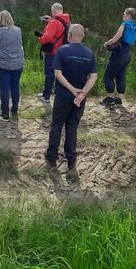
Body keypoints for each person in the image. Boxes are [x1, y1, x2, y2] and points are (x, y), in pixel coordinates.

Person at [45, 24, 98, 175]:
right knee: (72, 127)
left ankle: (52, 157)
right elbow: (93, 76)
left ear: (69, 35)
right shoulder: (89, 53)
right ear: (82, 36)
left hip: (63, 95)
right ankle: (71, 160)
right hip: (79, 98)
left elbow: (57, 73)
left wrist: (71, 89)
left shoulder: (62, 50)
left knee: (57, 125)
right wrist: (82, 93)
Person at [100, 7, 136, 105]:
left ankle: (109, 98)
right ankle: (119, 99)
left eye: (124, 14)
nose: (123, 16)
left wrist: (106, 43)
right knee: (121, 76)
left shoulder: (125, 25)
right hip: (127, 54)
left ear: (129, 16)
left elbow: (115, 39)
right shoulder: (134, 27)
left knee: (108, 75)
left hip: (119, 54)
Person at [0, 10, 25, 121]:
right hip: (18, 62)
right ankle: (15, 109)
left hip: (4, 63)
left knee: (4, 87)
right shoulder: (18, 30)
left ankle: (5, 113)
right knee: (15, 85)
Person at [36, 3, 71, 102]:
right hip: (63, 51)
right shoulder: (67, 21)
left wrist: (40, 38)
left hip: (53, 52)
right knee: (59, 74)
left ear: (54, 11)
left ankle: (46, 95)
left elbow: (48, 37)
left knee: (49, 73)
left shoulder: (54, 22)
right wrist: (50, 20)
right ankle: (57, 92)